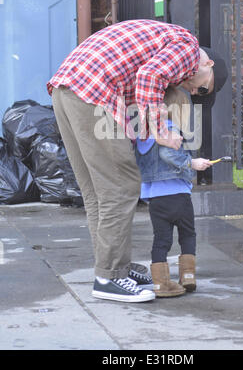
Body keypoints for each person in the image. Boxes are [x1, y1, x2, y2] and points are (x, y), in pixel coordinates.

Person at [47, 19, 228, 303]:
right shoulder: (190, 50)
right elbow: (149, 77)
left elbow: (141, 89)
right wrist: (162, 131)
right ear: (209, 66)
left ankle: (113, 267)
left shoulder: (168, 41)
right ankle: (110, 277)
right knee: (121, 186)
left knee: (98, 192)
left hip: (68, 88)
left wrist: (148, 132)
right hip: (92, 91)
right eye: (204, 89)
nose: (194, 93)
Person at [135, 86, 212, 297]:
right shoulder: (169, 128)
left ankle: (160, 284)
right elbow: (169, 155)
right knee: (187, 234)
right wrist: (192, 163)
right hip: (177, 193)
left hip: (156, 200)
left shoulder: (143, 134)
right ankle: (188, 276)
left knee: (161, 239)